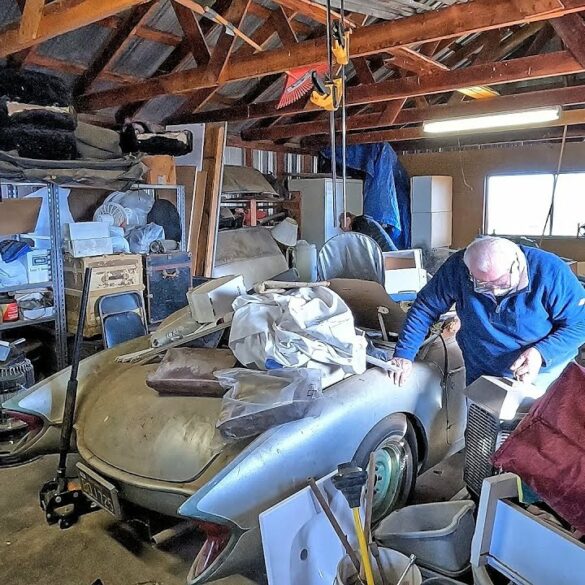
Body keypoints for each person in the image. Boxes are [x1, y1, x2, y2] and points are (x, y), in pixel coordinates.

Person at [390, 237, 585, 390]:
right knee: (482, 431)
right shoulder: (458, 268)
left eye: (500, 283)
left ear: (516, 264)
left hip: (542, 370)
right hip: (482, 367)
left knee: (536, 432)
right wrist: (405, 353)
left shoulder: (551, 272)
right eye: (482, 285)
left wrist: (541, 353)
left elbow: (581, 324)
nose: (493, 292)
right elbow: (425, 307)